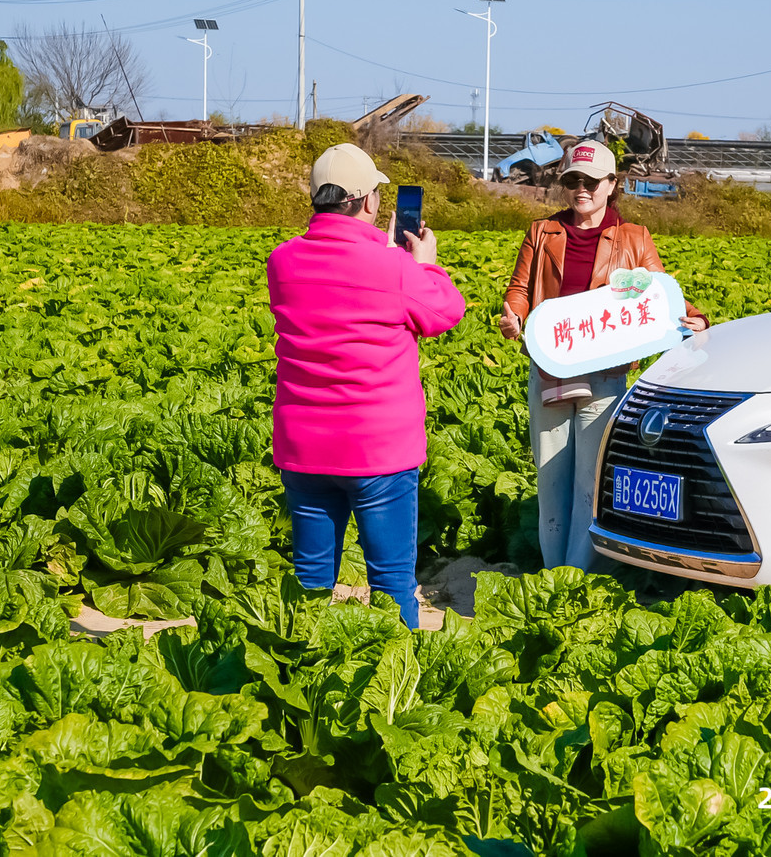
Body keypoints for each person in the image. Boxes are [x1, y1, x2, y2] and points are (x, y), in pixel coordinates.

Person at [267, 142, 466, 628]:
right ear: (367, 201)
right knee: (392, 581)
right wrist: (425, 262)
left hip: (304, 445)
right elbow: (447, 312)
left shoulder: (282, 261)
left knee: (312, 577)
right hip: (377, 449)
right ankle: (393, 680)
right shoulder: (394, 265)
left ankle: (302, 671)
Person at [498, 140, 708, 570]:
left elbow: (661, 293)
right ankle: (553, 574)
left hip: (604, 378)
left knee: (588, 484)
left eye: (592, 182)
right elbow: (520, 288)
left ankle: (575, 577)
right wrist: (513, 315)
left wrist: (695, 319)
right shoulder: (542, 232)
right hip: (550, 372)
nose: (582, 189)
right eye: (574, 180)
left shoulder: (634, 238)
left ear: (612, 184)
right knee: (551, 480)